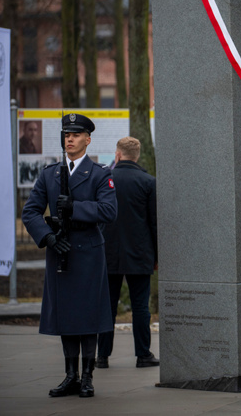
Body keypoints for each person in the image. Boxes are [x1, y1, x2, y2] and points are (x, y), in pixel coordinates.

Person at [21, 113, 117, 398]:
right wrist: (47, 237)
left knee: (88, 316)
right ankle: (71, 376)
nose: (70, 139)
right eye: (66, 135)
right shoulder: (50, 174)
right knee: (66, 316)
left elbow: (109, 212)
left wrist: (76, 207)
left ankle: (87, 377)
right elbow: (30, 211)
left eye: (76, 135)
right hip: (59, 250)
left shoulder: (101, 174)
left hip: (87, 253)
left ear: (88, 139)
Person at [96, 137, 158, 369]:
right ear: (137, 156)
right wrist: (156, 257)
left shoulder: (104, 179)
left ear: (118, 155)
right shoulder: (148, 182)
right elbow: (154, 223)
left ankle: (102, 356)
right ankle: (143, 355)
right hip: (140, 253)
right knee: (141, 306)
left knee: (107, 306)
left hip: (107, 253)